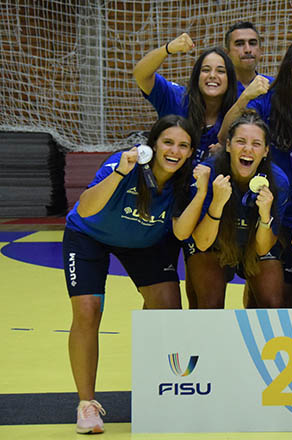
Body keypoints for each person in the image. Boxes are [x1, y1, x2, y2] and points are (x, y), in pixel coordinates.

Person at [64, 115, 201, 434]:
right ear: (152, 146)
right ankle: (86, 404)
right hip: (89, 235)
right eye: (168, 142)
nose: (174, 151)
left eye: (183, 145)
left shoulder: (186, 182)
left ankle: (153, 391)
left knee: (166, 306)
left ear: (191, 151)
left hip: (145, 242)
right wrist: (121, 173)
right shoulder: (122, 164)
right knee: (87, 310)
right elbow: (85, 208)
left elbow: (181, 234)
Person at [219, 38, 292, 305]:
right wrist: (246, 96)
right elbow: (226, 134)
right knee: (268, 300)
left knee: (288, 294)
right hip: (264, 209)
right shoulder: (268, 99)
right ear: (288, 67)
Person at [186, 112, 291, 309]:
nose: (248, 149)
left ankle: (252, 289)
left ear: (266, 151)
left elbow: (263, 248)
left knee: (273, 303)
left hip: (253, 244)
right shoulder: (207, 173)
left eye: (256, 144)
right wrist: (217, 203)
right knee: (209, 305)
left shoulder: (279, 183)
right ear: (228, 145)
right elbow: (201, 242)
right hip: (213, 243)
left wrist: (265, 214)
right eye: (241, 141)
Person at [133, 35, 238, 164]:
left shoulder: (235, 111)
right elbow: (141, 75)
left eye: (221, 71)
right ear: (196, 76)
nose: (212, 76)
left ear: (230, 80)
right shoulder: (176, 98)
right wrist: (167, 49)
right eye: (205, 70)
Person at [224, 21, 273, 90]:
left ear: (260, 50)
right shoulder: (220, 88)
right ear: (227, 53)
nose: (248, 50)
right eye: (240, 44)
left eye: (252, 43)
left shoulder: (274, 86)